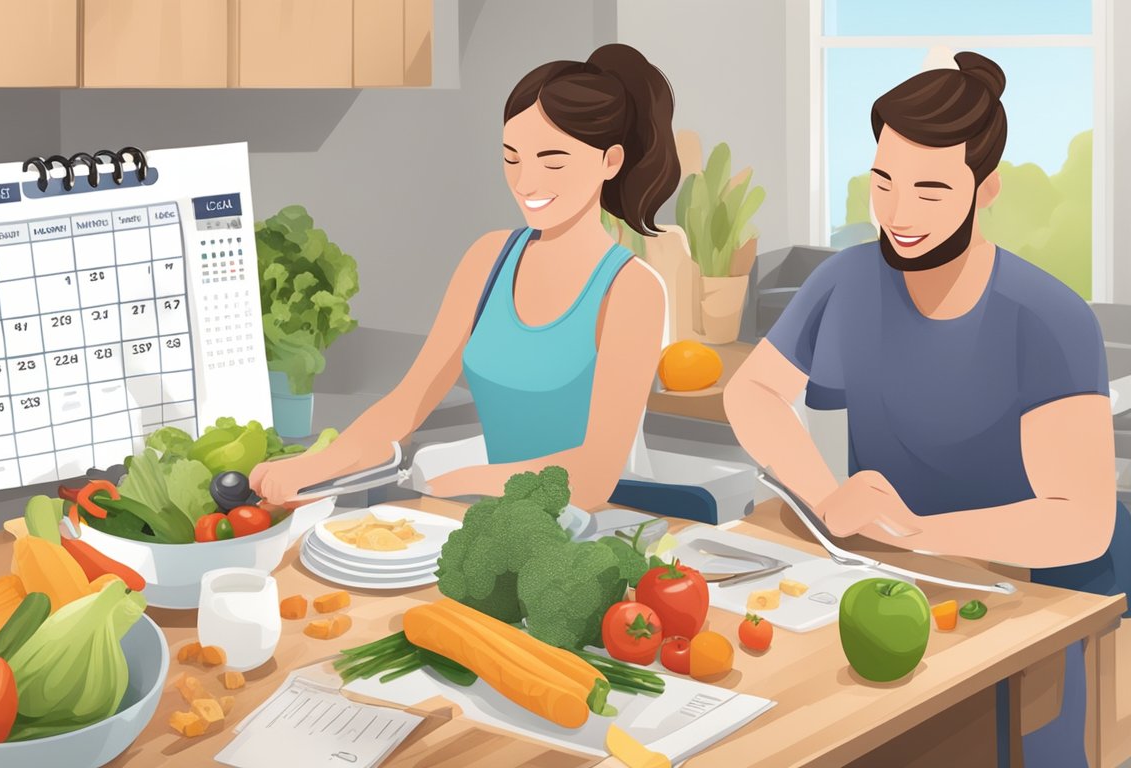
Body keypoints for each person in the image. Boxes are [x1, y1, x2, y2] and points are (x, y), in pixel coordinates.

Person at [725, 51, 1129, 765]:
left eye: (931, 190)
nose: (899, 214)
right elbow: (750, 392)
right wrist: (827, 498)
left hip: (1025, 605)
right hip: (881, 585)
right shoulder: (847, 282)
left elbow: (1082, 520)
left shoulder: (1045, 319)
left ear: (987, 187)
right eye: (883, 182)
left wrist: (916, 532)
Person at [252, 43, 678, 510]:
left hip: (587, 530)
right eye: (512, 158)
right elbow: (406, 405)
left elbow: (593, 477)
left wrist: (464, 479)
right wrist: (314, 466)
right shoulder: (489, 259)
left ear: (610, 162)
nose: (526, 183)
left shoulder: (632, 289)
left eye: (552, 161)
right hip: (495, 521)